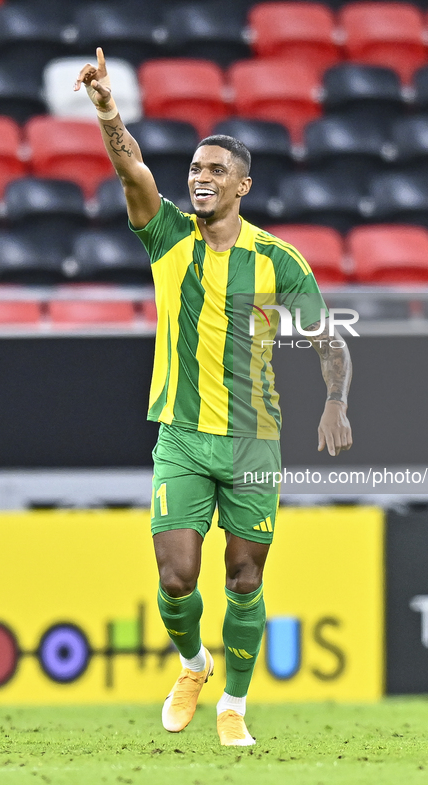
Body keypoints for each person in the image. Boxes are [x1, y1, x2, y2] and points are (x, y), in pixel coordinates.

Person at [75, 49, 353, 747]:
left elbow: (328, 339)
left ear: (243, 186)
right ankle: (192, 665)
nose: (199, 179)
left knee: (241, 578)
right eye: (195, 169)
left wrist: (335, 402)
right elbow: (130, 167)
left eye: (214, 171)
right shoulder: (167, 238)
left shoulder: (279, 260)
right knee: (176, 577)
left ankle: (233, 702)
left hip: (254, 437)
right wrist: (109, 111)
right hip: (181, 433)